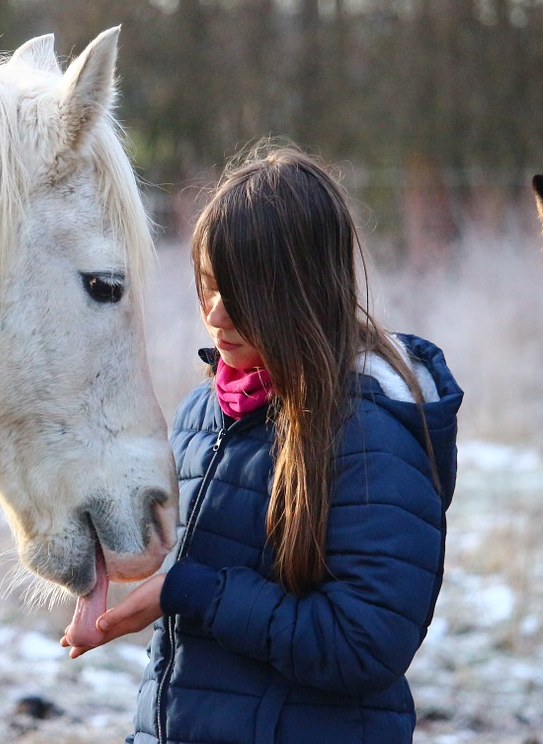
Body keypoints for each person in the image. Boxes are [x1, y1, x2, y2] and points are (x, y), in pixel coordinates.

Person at [62, 147, 462, 743]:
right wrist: (104, 564)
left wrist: (191, 591)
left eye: (241, 294)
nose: (217, 315)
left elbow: (362, 644)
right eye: (208, 287)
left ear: (302, 291)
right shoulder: (204, 412)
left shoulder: (372, 435)